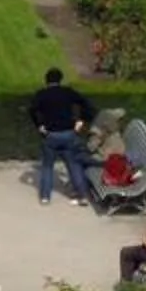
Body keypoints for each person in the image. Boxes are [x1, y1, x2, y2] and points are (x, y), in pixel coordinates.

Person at [27, 67, 97, 207]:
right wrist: (81, 120)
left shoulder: (42, 94)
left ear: (46, 81)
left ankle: (45, 197)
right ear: (60, 80)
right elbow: (87, 105)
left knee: (47, 166)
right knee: (73, 165)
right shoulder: (68, 92)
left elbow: (32, 110)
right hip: (68, 133)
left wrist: (39, 125)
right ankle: (82, 196)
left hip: (50, 134)